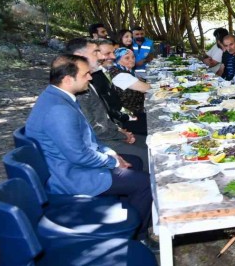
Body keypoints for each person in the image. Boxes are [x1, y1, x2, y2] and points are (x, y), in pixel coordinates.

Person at [25, 54, 153, 241]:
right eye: (86, 74)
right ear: (68, 79)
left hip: (74, 164)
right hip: (71, 175)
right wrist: (112, 161)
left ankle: (128, 216)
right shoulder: (59, 110)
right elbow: (79, 155)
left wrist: (111, 152)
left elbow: (88, 138)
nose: (90, 77)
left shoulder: (58, 97)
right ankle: (138, 236)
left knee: (134, 161)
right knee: (145, 181)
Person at [77, 39, 149, 169]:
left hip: (115, 126)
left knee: (151, 143)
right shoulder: (84, 85)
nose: (113, 56)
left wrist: (119, 129)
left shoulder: (98, 75)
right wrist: (121, 132)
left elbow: (105, 111)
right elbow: (95, 126)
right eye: (98, 53)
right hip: (105, 141)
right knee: (149, 154)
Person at [108, 47, 151, 135]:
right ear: (117, 59)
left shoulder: (126, 70)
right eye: (127, 58)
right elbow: (146, 88)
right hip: (130, 118)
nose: (131, 60)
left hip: (136, 112)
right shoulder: (120, 75)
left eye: (133, 57)